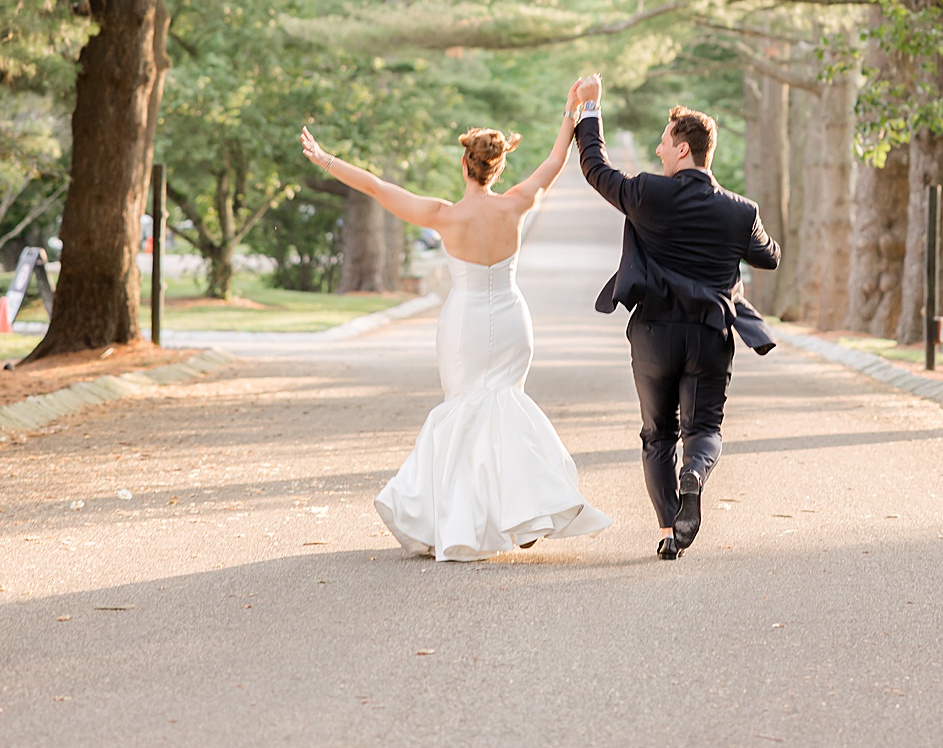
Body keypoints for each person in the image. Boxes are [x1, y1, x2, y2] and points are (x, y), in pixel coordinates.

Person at [299, 80, 612, 561]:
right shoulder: (516, 204)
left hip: (465, 321)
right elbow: (554, 162)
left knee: (465, 411)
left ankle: (464, 522)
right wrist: (578, 109)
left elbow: (376, 187)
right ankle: (526, 511)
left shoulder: (444, 216)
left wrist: (323, 157)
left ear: (465, 164)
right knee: (504, 408)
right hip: (511, 317)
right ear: (498, 165)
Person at [568, 78, 779, 561]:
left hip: (654, 336)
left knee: (657, 435)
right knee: (703, 430)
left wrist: (590, 107)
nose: (658, 149)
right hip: (709, 335)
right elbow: (769, 258)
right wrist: (750, 236)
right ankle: (696, 475)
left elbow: (595, 167)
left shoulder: (646, 194)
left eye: (664, 142)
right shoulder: (740, 212)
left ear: (683, 149)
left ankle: (669, 530)